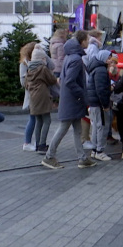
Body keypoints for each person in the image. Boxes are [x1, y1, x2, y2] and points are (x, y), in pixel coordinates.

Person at [41, 30, 97, 170]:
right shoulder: (76, 59)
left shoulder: (70, 56)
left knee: (77, 129)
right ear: (81, 41)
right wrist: (81, 95)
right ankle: (49, 156)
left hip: (71, 100)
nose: (88, 42)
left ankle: (82, 158)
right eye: (87, 40)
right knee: (63, 128)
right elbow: (70, 81)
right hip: (73, 101)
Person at [26, 46, 58, 153]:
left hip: (33, 97)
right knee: (47, 120)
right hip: (43, 95)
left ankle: (38, 144)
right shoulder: (43, 69)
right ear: (41, 59)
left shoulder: (29, 68)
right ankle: (42, 145)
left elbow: (26, 84)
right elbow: (52, 80)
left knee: (39, 120)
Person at [86, 49, 114, 161]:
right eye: (108, 58)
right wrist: (105, 104)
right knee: (102, 126)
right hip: (99, 103)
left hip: (93, 102)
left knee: (96, 126)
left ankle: (94, 150)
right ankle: (100, 151)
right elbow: (101, 90)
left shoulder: (94, 68)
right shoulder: (101, 70)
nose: (110, 60)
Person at [19, 41, 38, 152]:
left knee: (37, 119)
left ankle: (36, 141)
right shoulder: (24, 64)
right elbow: (23, 82)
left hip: (37, 95)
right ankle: (27, 142)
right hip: (31, 95)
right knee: (33, 118)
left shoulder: (37, 62)